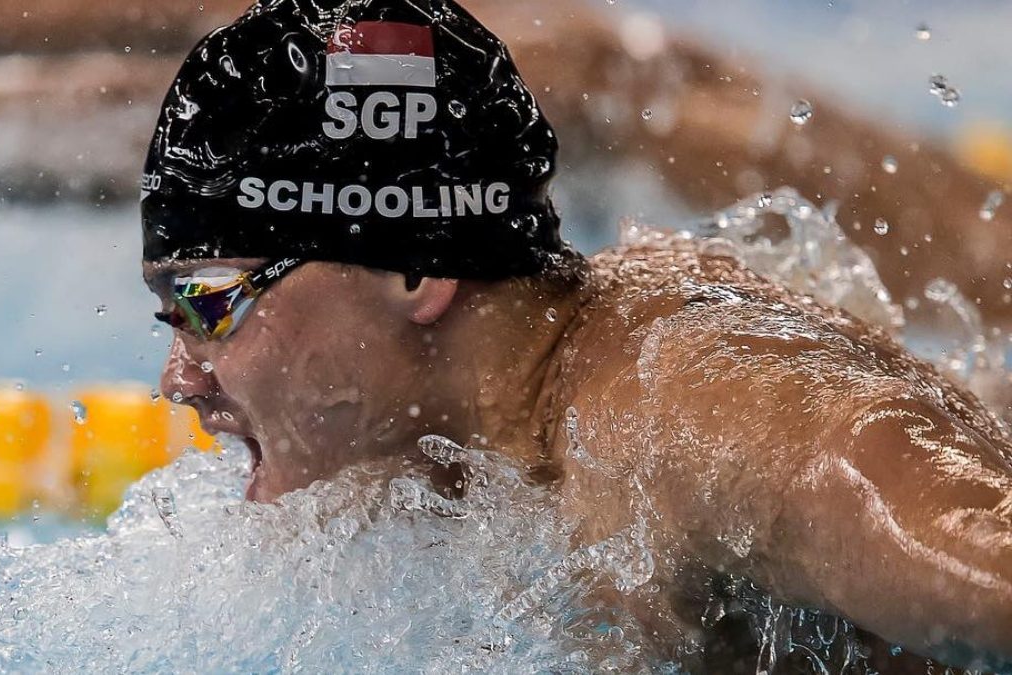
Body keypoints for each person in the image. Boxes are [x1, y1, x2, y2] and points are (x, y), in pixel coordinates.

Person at [140, 0, 1012, 669]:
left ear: (416, 270)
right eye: (170, 313)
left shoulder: (694, 419)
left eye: (210, 302)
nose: (180, 377)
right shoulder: (466, 443)